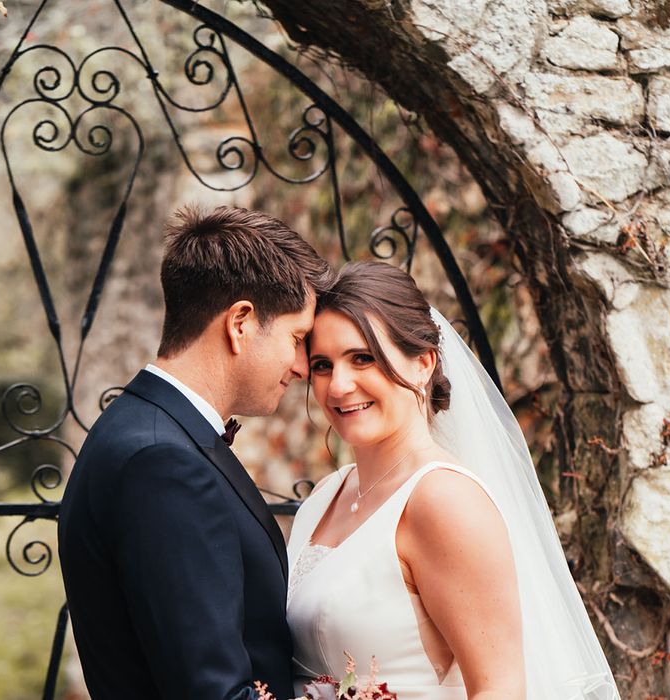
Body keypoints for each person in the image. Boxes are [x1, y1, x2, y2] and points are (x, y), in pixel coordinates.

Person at [287, 261, 620, 700]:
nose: (339, 386)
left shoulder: (443, 500)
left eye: (362, 358)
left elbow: (499, 688)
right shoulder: (326, 496)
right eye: (323, 365)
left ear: (424, 362)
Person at [58, 206, 332, 700]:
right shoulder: (163, 462)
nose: (301, 366)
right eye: (296, 338)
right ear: (241, 323)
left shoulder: (142, 429)